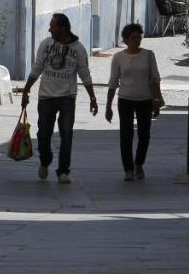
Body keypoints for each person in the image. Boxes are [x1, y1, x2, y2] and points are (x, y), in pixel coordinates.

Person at [21, 14, 97, 184]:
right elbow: (37, 68)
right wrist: (26, 91)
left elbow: (84, 73)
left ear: (63, 28)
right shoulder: (46, 44)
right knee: (43, 134)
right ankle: (45, 160)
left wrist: (92, 97)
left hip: (67, 98)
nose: (49, 29)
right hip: (46, 96)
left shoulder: (78, 49)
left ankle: (63, 171)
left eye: (52, 26)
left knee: (66, 134)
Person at [105, 23, 163, 181]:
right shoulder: (118, 57)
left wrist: (156, 99)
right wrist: (108, 106)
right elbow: (113, 81)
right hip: (125, 99)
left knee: (144, 135)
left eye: (139, 37)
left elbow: (155, 78)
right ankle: (128, 169)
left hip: (145, 99)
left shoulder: (148, 55)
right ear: (125, 40)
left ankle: (139, 163)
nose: (137, 40)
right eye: (133, 37)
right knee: (126, 135)